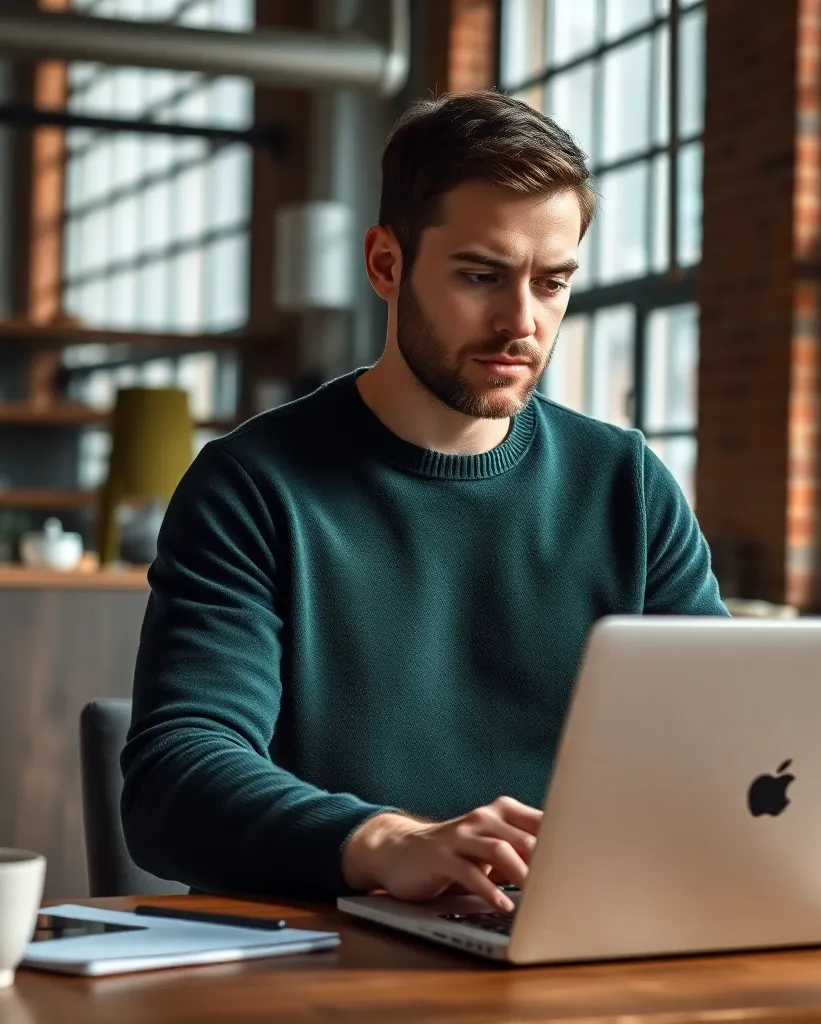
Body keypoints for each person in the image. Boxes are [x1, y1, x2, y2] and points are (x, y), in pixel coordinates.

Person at [121, 90, 728, 912]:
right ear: (385, 264)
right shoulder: (252, 487)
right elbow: (175, 778)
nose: (523, 322)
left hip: (570, 938)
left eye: (552, 284)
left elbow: (726, 741)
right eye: (481, 275)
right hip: (323, 962)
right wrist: (383, 842)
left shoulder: (624, 481)